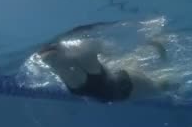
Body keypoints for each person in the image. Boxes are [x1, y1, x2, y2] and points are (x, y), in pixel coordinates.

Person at [37, 34, 178, 102]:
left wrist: (155, 45)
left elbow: (111, 51)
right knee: (61, 59)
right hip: (103, 88)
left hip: (110, 85)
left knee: (82, 54)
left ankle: (54, 49)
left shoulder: (143, 80)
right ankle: (53, 50)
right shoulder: (147, 84)